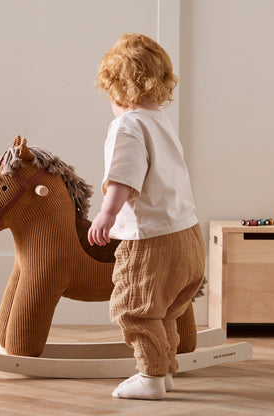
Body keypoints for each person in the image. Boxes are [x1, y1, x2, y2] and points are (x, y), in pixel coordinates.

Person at [88, 33, 206, 400]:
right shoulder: (162, 122)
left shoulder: (127, 126)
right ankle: (165, 370)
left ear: (116, 89)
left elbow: (125, 174)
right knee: (165, 311)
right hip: (187, 236)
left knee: (134, 309)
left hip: (151, 240)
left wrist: (106, 214)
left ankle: (151, 378)